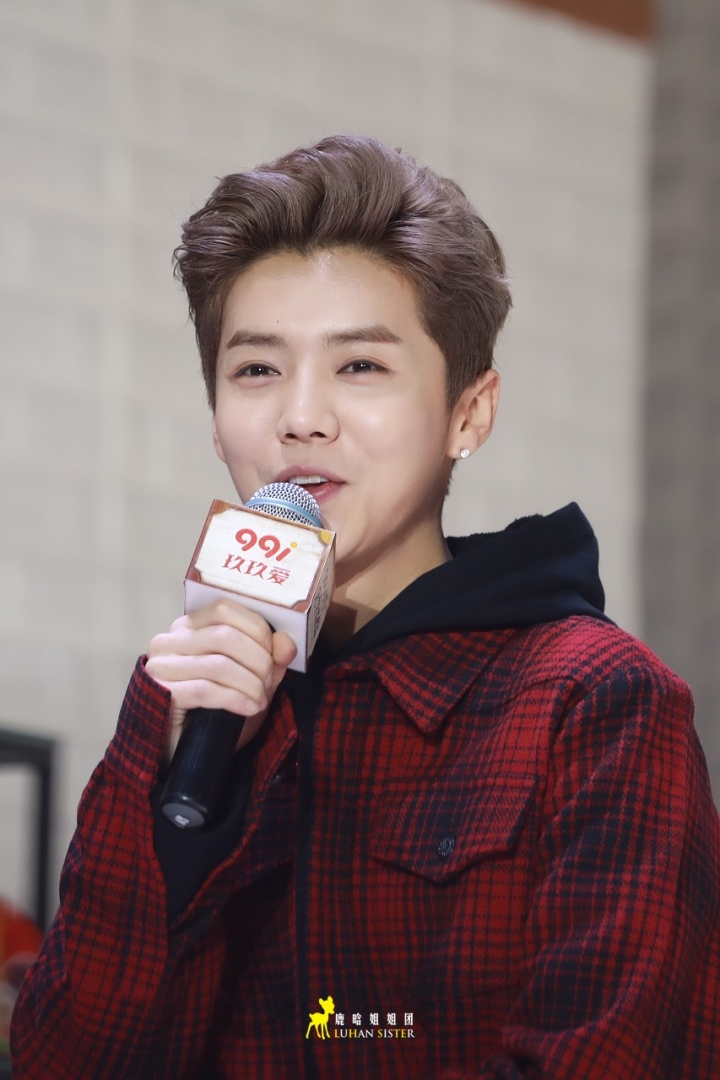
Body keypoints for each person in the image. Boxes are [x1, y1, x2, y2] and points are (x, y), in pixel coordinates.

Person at [10, 135, 720, 1079]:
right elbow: (60, 1060)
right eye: (256, 370)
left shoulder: (595, 701)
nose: (300, 416)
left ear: (469, 413)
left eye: (360, 367)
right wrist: (183, 797)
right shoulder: (192, 693)